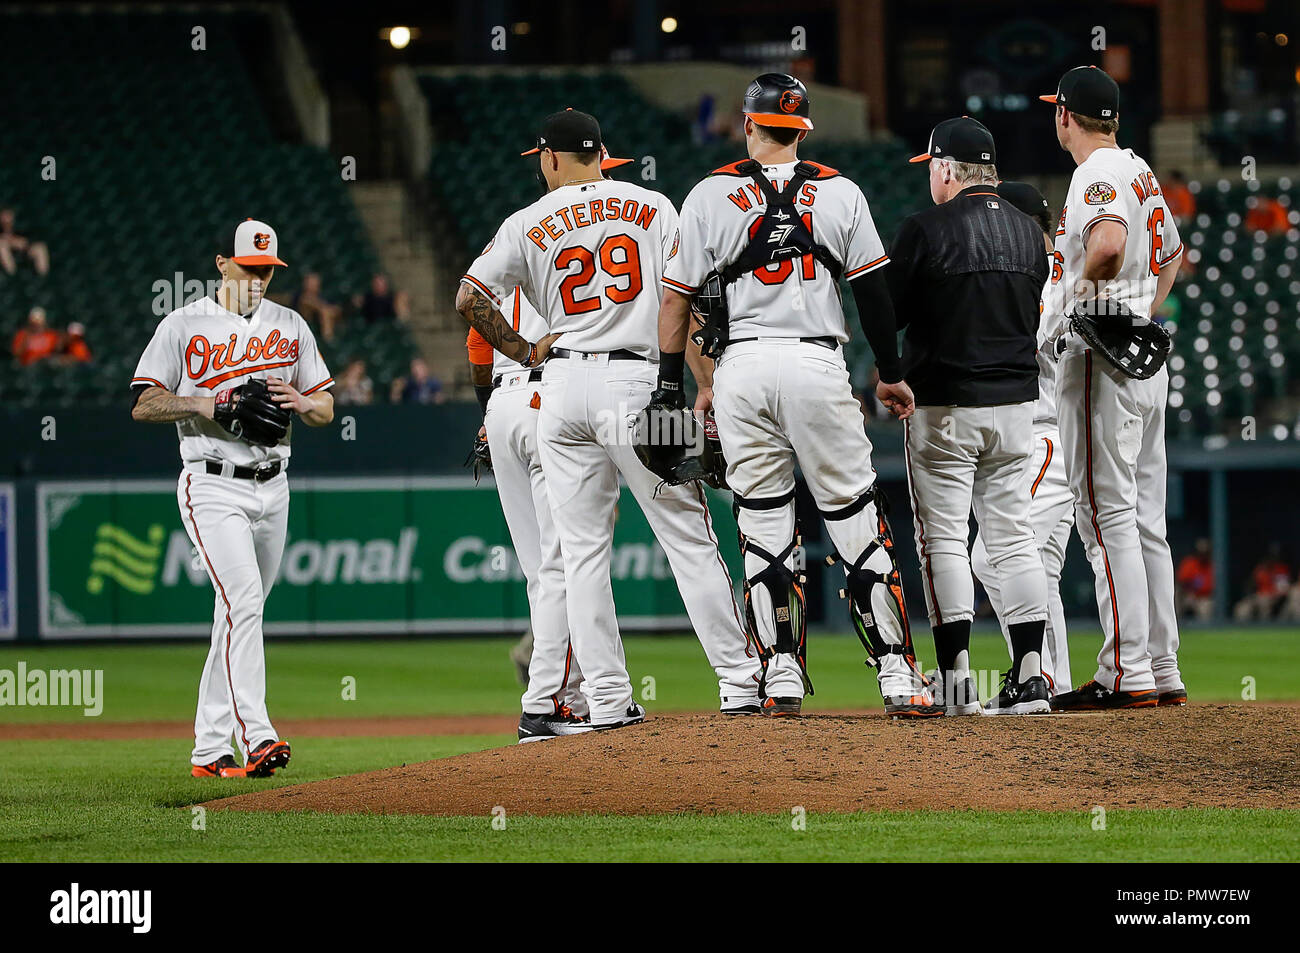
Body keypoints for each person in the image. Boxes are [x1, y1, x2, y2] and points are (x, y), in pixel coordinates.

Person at [456, 108, 763, 731]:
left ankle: (608, 699)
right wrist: (705, 389)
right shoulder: (654, 207)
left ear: (549, 158)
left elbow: (468, 297)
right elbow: (688, 303)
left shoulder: (525, 221)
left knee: (579, 554)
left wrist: (524, 351)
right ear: (603, 153)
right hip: (644, 382)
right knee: (688, 537)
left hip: (562, 387)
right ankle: (737, 682)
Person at [658, 74, 939, 718]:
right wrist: (890, 372)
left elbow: (676, 299)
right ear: (802, 129)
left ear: (749, 124)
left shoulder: (708, 194)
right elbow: (873, 293)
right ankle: (896, 674)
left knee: (763, 523)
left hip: (742, 370)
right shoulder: (841, 191)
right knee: (855, 522)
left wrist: (670, 386)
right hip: (817, 361)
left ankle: (781, 674)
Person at [130, 218, 334, 778]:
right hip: (212, 482)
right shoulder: (184, 324)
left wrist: (300, 401)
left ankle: (207, 749)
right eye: (250, 268)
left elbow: (326, 409)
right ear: (223, 264)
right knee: (243, 601)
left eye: (269, 269)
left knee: (237, 611)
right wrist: (205, 404)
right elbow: (144, 403)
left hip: (275, 485)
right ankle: (258, 736)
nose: (260, 278)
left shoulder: (290, 325)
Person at [466, 148, 633, 740]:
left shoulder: (517, 232)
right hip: (549, 393)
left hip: (506, 404)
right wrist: (528, 356)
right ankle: (548, 702)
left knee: (545, 569)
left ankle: (583, 688)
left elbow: (473, 327)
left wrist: (486, 405)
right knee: (568, 560)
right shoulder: (597, 226)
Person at [889, 119, 1051, 716]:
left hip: (946, 405)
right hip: (1017, 408)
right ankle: (1032, 677)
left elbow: (892, 311)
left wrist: (890, 368)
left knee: (945, 543)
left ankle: (957, 684)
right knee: (1014, 538)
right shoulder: (1030, 233)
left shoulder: (925, 229)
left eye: (930, 165)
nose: (929, 175)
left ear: (947, 168)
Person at [1039, 65, 1187, 710]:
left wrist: (1077, 301)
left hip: (1103, 357)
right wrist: (1145, 312)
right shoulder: (1140, 170)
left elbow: (1105, 246)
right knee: (1145, 519)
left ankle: (1126, 672)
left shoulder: (1095, 174)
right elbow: (1173, 254)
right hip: (1142, 355)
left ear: (1066, 116)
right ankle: (1161, 664)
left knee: (1104, 516)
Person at [969, 180, 1076, 700]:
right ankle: (1049, 680)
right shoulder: (1044, 270)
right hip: (1039, 433)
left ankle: (1036, 676)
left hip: (1045, 435)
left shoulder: (1041, 272)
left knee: (992, 557)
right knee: (1042, 571)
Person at [1233, 545, 1291, 620]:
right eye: (1270, 555)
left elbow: (1283, 590)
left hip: (1272, 597)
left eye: (1274, 556)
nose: (1272, 558)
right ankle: (1243, 630)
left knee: (1264, 604)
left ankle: (1266, 628)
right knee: (1242, 608)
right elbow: (1250, 585)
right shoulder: (1261, 568)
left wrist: (1271, 596)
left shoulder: (1281, 569)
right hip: (1258, 596)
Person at [292, 272, 341, 344]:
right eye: (309, 283)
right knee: (326, 312)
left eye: (314, 283)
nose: (311, 285)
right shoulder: (300, 297)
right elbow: (309, 303)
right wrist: (325, 309)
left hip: (319, 327)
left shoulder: (322, 297)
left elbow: (336, 310)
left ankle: (329, 341)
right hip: (303, 330)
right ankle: (328, 340)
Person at [0, 208, 50, 276]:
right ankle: (12, 275)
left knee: (40, 247)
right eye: (3, 218)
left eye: (9, 218)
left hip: (23, 253)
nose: (6, 221)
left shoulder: (20, 228)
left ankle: (43, 276)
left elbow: (26, 241)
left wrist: (19, 242)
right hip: (7, 255)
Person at [1176, 538, 1214, 621]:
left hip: (1204, 599)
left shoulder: (1212, 566)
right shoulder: (1189, 563)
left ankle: (1205, 630)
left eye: (1205, 553)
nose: (1202, 555)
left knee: (1205, 608)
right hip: (1187, 596)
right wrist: (1189, 592)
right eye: (1200, 552)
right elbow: (1181, 582)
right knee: (1177, 597)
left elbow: (1211, 589)